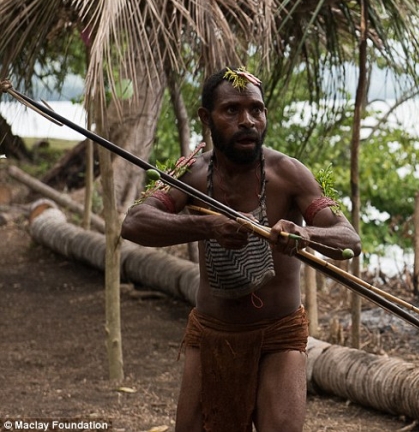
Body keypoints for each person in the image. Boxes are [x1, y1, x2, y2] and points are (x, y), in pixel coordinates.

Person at [121, 66, 361, 432]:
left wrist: (304, 234)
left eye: (256, 109)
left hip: (279, 335)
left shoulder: (290, 173)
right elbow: (135, 223)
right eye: (231, 110)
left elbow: (348, 238)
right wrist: (207, 225)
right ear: (206, 117)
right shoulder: (191, 173)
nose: (247, 120)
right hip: (212, 332)